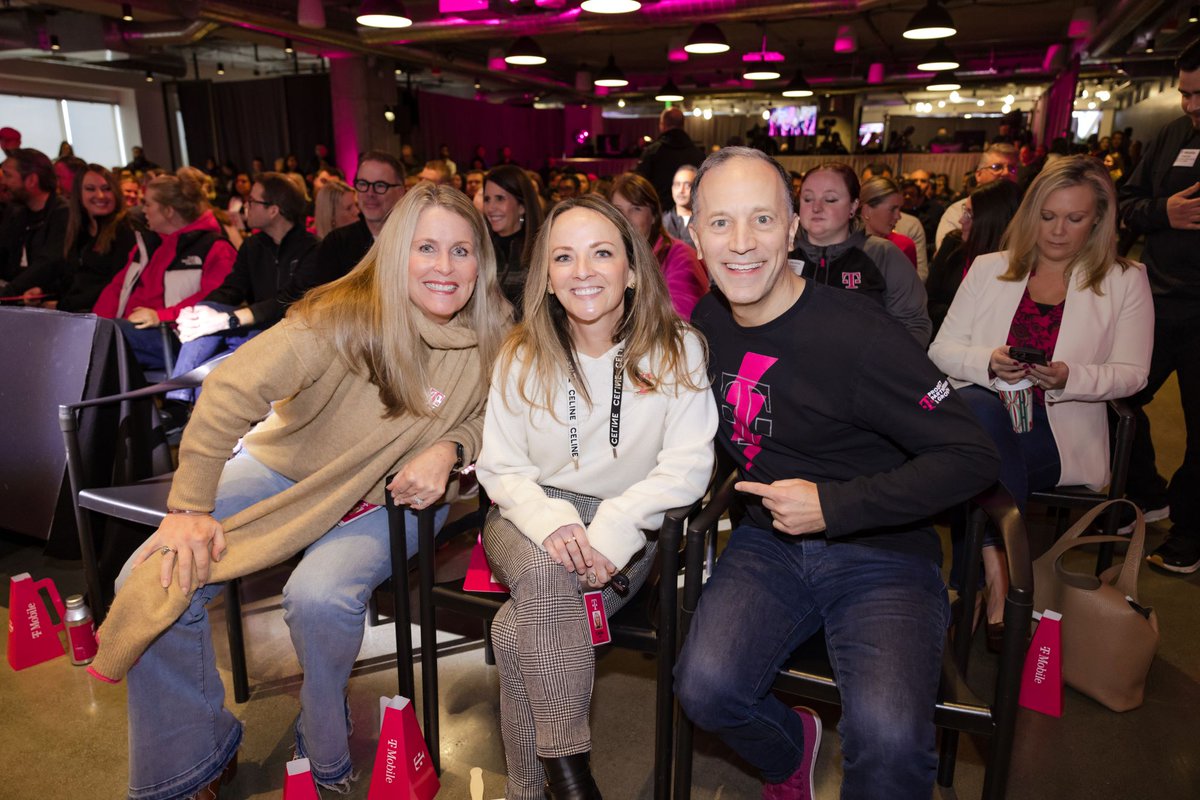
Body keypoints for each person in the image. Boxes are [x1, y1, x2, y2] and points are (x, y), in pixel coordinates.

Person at [88, 183, 510, 799]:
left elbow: (495, 416)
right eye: (426, 247)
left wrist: (451, 447)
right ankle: (194, 757)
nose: (444, 267)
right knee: (152, 574)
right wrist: (188, 508)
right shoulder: (336, 317)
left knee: (319, 597)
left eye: (461, 251)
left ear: (481, 261)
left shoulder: (497, 331)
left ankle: (324, 732)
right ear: (395, 251)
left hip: (390, 497)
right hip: (285, 469)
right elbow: (229, 391)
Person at [674, 146, 999, 800]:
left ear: (792, 229)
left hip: (883, 552)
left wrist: (835, 506)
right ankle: (791, 750)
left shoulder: (860, 334)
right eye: (721, 222)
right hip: (768, 545)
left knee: (889, 742)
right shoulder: (707, 323)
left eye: (763, 220)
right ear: (694, 237)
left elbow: (972, 455)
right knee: (704, 690)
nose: (742, 242)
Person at [476, 194, 716, 800]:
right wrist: (550, 520)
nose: (582, 271)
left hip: (627, 527)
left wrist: (614, 528)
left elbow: (688, 465)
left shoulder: (678, 347)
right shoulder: (519, 353)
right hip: (525, 516)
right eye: (563, 257)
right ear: (546, 277)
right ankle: (572, 777)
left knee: (515, 632)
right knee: (546, 574)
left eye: (601, 253)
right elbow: (501, 468)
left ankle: (529, 791)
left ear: (632, 271)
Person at [930, 155, 1153, 636]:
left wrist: (1071, 376)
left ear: (1098, 219)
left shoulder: (1124, 279)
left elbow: (1134, 374)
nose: (1057, 231)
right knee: (982, 414)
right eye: (1047, 216)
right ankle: (1001, 576)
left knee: (969, 455)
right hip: (986, 414)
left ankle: (975, 585)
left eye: (1074, 218)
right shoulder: (989, 268)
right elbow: (941, 350)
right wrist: (990, 361)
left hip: (1058, 432)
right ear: (1031, 214)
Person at [1118, 38, 1200, 573]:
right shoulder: (1173, 133)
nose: (1191, 105)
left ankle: (1190, 534)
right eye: (1185, 93)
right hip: (1160, 300)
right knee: (1116, 397)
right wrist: (1162, 211)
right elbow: (1128, 203)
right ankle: (1147, 493)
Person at [164, 172, 319, 413]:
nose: (246, 206)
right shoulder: (253, 246)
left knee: (215, 363)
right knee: (207, 319)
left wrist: (229, 319)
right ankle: (179, 401)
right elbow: (232, 289)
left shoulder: (312, 248)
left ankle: (176, 402)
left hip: (293, 336)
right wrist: (197, 311)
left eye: (252, 201)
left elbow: (288, 301)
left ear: (273, 210)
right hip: (257, 333)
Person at [92, 170, 237, 371]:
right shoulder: (147, 245)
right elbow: (116, 289)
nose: (143, 209)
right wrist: (94, 324)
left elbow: (216, 301)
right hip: (134, 332)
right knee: (90, 335)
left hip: (179, 339)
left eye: (148, 204)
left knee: (106, 340)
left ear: (168, 211)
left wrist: (160, 316)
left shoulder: (215, 248)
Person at [791, 163, 932, 345]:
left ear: (853, 206)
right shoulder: (778, 253)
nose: (816, 207)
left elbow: (914, 325)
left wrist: (875, 360)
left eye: (830, 199)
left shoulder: (883, 255)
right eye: (808, 199)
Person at [926, 179, 1022, 337]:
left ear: (992, 221)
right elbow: (928, 301)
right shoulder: (953, 244)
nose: (961, 220)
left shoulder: (1015, 263)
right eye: (964, 211)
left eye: (970, 214)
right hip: (943, 339)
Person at [608, 172, 708, 319]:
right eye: (618, 210)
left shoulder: (680, 257)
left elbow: (681, 323)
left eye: (636, 208)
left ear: (654, 216)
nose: (625, 218)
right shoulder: (612, 258)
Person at [300, 150, 406, 287]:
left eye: (380, 186)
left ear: (401, 192)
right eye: (363, 184)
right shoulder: (337, 243)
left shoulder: (416, 238)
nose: (370, 193)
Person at [54, 165, 139, 312]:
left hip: (105, 315)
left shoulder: (126, 229)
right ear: (79, 195)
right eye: (90, 189)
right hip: (75, 312)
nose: (100, 195)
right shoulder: (78, 229)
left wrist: (62, 306)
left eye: (106, 189)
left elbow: (116, 285)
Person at [0, 149, 70, 300]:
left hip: (46, 301)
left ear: (31, 180)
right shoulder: (17, 213)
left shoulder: (63, 214)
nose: (2, 182)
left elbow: (48, 264)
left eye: (7, 175)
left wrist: (6, 293)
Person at [483, 164, 545, 311]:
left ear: (522, 206)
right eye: (487, 199)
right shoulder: (480, 249)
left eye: (500, 199)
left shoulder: (541, 252)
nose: (490, 208)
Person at [936, 144, 1019, 249]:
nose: (1006, 173)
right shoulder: (957, 212)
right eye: (997, 167)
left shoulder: (1024, 210)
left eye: (1012, 168)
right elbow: (949, 254)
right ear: (978, 175)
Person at [636, 107, 704, 213]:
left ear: (662, 125)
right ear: (683, 125)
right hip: (691, 215)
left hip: (660, 215)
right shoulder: (699, 154)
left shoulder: (652, 152)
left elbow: (640, 187)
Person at [859, 176, 919, 270]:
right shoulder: (842, 245)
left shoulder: (904, 246)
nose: (898, 216)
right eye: (892, 209)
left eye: (900, 209)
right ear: (867, 211)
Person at [662, 164, 697, 249]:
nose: (681, 190)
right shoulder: (662, 222)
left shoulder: (704, 222)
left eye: (687, 185)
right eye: (677, 185)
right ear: (672, 188)